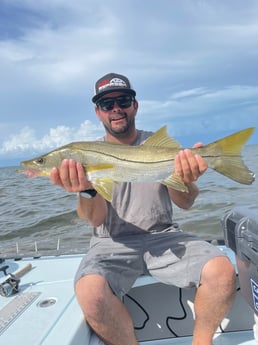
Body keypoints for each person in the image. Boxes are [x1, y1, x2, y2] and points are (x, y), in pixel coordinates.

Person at [50, 73, 236, 345]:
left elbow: (185, 203)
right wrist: (87, 189)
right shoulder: (84, 155)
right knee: (90, 291)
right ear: (98, 113)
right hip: (110, 242)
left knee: (222, 270)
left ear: (134, 105)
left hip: (164, 236)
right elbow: (96, 219)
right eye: (106, 104)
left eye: (122, 101)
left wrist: (185, 179)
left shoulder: (157, 145)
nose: (116, 109)